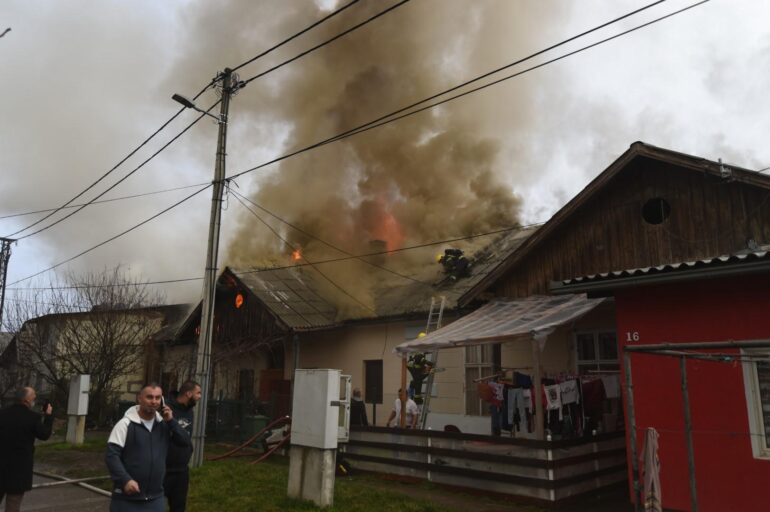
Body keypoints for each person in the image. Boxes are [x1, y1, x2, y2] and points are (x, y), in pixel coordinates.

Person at [106, 383, 190, 512]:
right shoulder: (125, 424)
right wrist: (125, 480)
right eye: (149, 397)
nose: (154, 401)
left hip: (155, 499)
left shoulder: (164, 425)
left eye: (157, 398)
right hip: (127, 499)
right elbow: (112, 456)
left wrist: (171, 421)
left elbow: (185, 443)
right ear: (139, 398)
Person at [0, 387, 53, 512]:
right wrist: (49, 416)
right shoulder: (33, 417)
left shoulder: (2, 414)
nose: (34, 400)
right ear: (27, 400)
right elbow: (44, 434)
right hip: (20, 469)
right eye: (34, 398)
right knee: (13, 504)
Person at [164, 380, 201, 512]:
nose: (200, 396)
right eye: (198, 393)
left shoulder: (189, 411)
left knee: (179, 507)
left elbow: (185, 437)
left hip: (181, 470)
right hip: (163, 469)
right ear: (188, 393)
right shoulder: (166, 408)